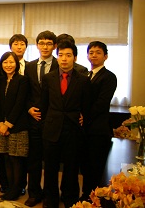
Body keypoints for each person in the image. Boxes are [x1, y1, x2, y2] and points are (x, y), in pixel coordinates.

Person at [41, 40, 91, 208]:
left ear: (74, 58)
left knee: (71, 167)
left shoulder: (83, 80)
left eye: (68, 55)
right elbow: (44, 103)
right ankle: (51, 198)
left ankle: (70, 197)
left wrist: (84, 116)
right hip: (52, 127)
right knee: (50, 167)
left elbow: (86, 105)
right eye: (60, 55)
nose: (64, 59)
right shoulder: (48, 78)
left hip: (73, 128)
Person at [23, 30, 58, 207]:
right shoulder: (29, 66)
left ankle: (51, 196)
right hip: (33, 120)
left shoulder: (60, 65)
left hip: (52, 120)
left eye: (49, 43)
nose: (45, 47)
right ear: (37, 45)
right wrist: (29, 108)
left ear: (54, 46)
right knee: (34, 159)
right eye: (41, 43)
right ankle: (34, 193)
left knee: (51, 161)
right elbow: (26, 91)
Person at [80, 41, 117, 201]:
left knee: (96, 167)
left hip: (98, 129)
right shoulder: (87, 75)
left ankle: (94, 198)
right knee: (86, 166)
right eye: (91, 52)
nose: (94, 55)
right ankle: (86, 195)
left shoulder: (109, 77)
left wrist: (84, 116)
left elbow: (101, 103)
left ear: (105, 56)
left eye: (98, 52)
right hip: (85, 129)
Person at [0, 33, 28, 195]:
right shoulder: (0, 80)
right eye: (5, 62)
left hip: (17, 126)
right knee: (6, 158)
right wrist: (0, 124)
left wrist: (8, 124)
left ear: (16, 64)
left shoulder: (22, 80)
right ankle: (8, 187)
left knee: (17, 159)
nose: (8, 65)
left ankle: (16, 189)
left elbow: (19, 105)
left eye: (11, 62)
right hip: (1, 126)